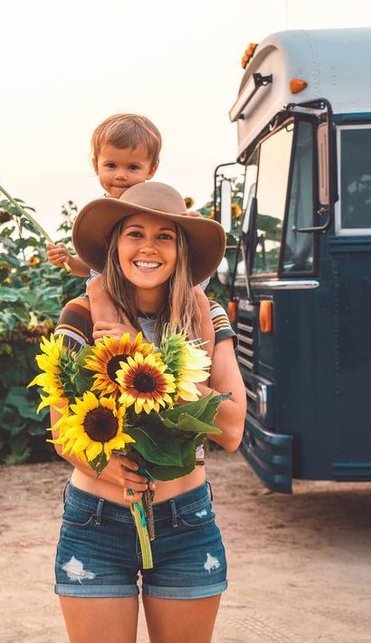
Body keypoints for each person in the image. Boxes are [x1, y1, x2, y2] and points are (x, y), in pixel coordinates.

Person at [49, 182, 247, 643]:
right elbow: (62, 433)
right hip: (96, 520)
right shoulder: (80, 315)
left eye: (165, 237)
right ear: (114, 244)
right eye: (134, 233)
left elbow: (233, 427)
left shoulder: (208, 317)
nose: (148, 248)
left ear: (180, 252)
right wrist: (108, 468)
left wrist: (141, 355)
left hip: (186, 521)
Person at [46, 113, 218, 358]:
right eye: (111, 166)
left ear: (152, 168)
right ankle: (117, 348)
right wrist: (71, 260)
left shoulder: (160, 207)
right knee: (97, 285)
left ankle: (200, 361)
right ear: (96, 165)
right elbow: (92, 263)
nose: (121, 175)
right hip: (115, 292)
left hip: (162, 289)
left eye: (133, 167)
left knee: (195, 293)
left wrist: (191, 227)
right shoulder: (103, 219)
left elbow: (183, 244)